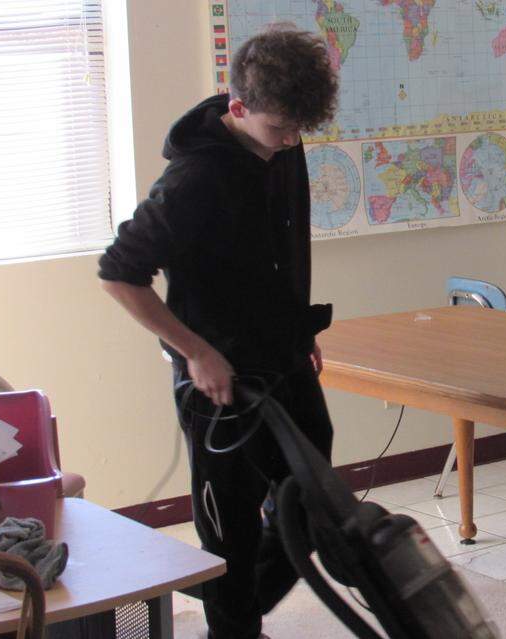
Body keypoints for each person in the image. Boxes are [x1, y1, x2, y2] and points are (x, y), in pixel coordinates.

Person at [97, 25, 339, 639]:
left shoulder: (282, 144)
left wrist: (295, 321)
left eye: (297, 131)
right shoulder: (191, 183)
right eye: (278, 130)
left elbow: (277, 249)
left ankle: (231, 623)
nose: (289, 144)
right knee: (228, 526)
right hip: (218, 383)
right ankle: (234, 627)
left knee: (311, 506)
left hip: (282, 358)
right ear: (238, 108)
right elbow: (119, 275)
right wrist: (196, 353)